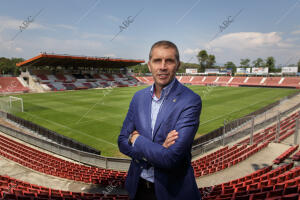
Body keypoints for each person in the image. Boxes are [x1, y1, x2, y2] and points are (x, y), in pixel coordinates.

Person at [118, 40, 202, 200]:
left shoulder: (190, 100)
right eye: (157, 61)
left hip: (172, 192)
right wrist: (159, 149)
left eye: (169, 61)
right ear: (149, 65)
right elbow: (122, 141)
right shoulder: (138, 97)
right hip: (138, 189)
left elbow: (170, 158)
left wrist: (136, 139)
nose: (162, 67)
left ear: (178, 65)